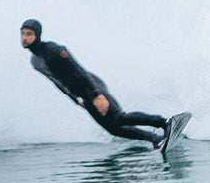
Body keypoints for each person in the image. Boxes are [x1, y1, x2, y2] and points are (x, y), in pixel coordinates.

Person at [20, 18, 169, 148]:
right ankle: (155, 139)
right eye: (23, 34)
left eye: (29, 34)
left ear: (37, 35)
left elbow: (78, 70)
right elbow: (57, 83)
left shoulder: (53, 49)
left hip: (91, 86)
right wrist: (75, 100)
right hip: (81, 94)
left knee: (119, 117)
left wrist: (97, 95)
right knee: (113, 129)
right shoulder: (35, 61)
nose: (24, 38)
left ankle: (164, 122)